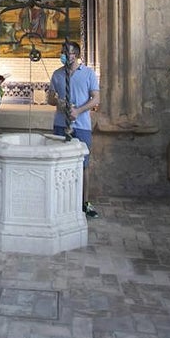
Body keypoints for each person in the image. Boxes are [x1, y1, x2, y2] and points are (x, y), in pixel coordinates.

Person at [49, 40, 101, 218]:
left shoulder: (88, 74)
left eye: (67, 52)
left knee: (84, 165)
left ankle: (84, 203)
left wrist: (78, 110)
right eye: (62, 52)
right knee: (58, 163)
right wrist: (58, 102)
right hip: (60, 124)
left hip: (82, 126)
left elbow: (95, 99)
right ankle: (60, 201)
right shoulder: (57, 74)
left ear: (76, 55)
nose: (63, 55)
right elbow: (50, 98)